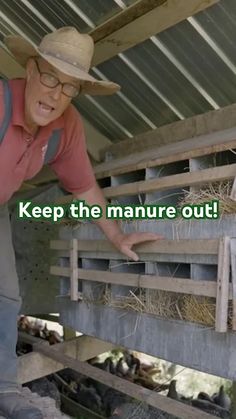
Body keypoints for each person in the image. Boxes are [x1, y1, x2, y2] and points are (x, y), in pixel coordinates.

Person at [0, 27, 162, 418]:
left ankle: (3, 388)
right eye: (51, 77)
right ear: (31, 68)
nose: (56, 94)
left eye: (70, 87)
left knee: (5, 294)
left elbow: (85, 187)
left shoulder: (65, 126)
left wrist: (117, 234)